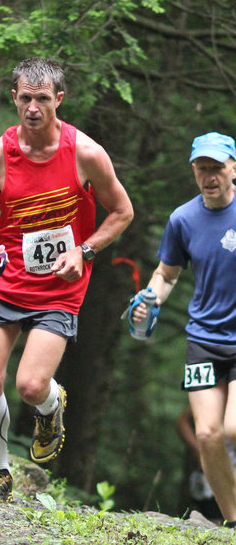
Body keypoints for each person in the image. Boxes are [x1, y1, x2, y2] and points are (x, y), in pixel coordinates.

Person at [0, 57, 134, 502]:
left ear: (58, 99)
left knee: (32, 386)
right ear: (13, 98)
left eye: (42, 99)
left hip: (60, 283)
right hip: (6, 274)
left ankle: (51, 407)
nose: (33, 108)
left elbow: (122, 212)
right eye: (25, 98)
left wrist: (84, 249)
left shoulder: (86, 154)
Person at [131, 132, 236, 528]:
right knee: (208, 435)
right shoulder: (183, 219)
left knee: (233, 428)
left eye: (216, 168)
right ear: (193, 170)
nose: (209, 176)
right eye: (201, 169)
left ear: (234, 169)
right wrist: (151, 299)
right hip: (204, 340)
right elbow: (166, 274)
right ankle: (233, 522)